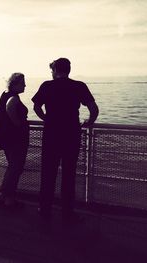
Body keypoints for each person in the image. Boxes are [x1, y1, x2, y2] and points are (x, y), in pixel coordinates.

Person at [32, 58, 99, 224]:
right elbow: (93, 108)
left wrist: (46, 119)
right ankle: (67, 213)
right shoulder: (79, 86)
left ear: (55, 70)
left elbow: (36, 107)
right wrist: (89, 122)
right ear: (68, 70)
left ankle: (44, 209)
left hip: (51, 135)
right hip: (71, 135)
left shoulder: (47, 86)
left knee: (48, 173)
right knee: (69, 175)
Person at [0, 73, 29, 208]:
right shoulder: (13, 97)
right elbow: (10, 108)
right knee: (16, 168)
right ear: (15, 84)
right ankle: (9, 199)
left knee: (12, 168)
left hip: (7, 137)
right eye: (23, 83)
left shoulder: (5, 94)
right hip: (16, 139)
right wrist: (18, 125)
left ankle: (3, 196)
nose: (25, 85)